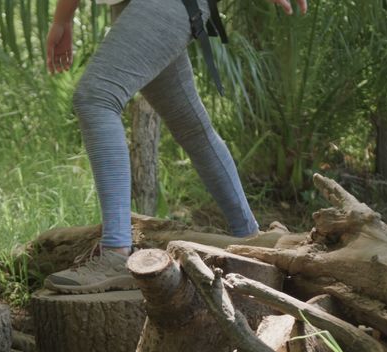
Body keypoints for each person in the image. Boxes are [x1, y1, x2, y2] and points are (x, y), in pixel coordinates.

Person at [43, 0, 307, 294]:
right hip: (140, 7)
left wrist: (62, 21)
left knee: (96, 97)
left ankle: (116, 253)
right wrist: (62, 20)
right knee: (192, 127)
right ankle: (251, 240)